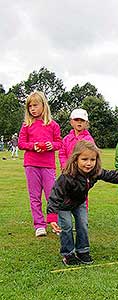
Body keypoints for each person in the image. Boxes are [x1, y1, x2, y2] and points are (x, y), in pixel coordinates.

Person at [47, 141, 118, 266]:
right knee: (67, 227)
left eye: (92, 159)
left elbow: (110, 175)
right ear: (75, 159)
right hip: (63, 206)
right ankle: (68, 254)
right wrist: (52, 217)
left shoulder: (94, 172)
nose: (89, 163)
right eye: (84, 159)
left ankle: (83, 251)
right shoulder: (67, 177)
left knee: (83, 225)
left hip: (79, 203)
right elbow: (55, 196)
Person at [17, 91, 62, 237]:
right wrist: (33, 146)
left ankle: (55, 223)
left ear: (44, 105)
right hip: (31, 164)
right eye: (29, 106)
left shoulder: (53, 125)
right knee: (34, 196)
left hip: (48, 165)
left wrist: (51, 145)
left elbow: (59, 143)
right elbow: (21, 143)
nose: (32, 109)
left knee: (52, 196)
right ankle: (39, 225)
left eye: (35, 105)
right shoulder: (26, 125)